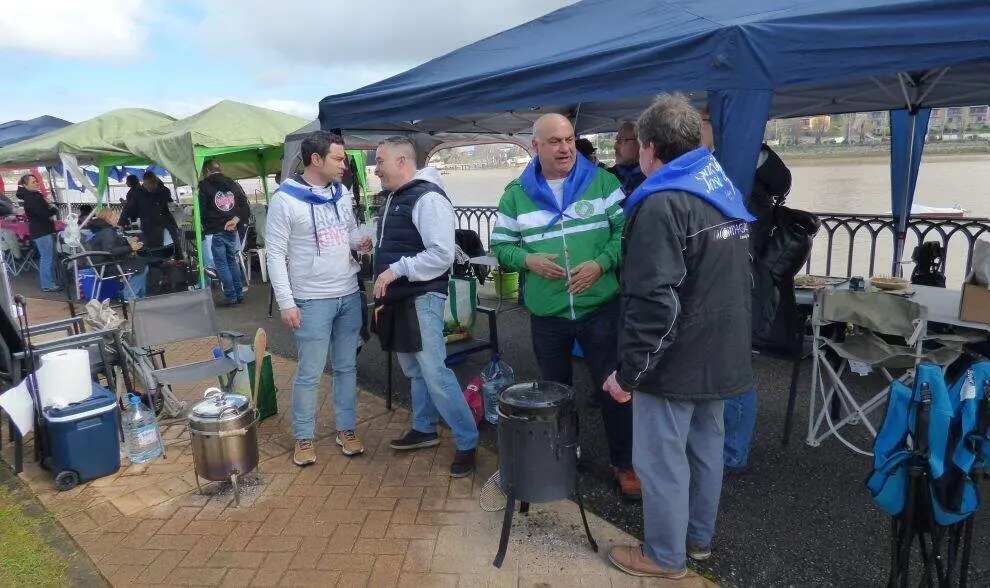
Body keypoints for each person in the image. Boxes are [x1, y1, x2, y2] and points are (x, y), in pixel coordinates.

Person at [604, 94, 755, 579]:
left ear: (649, 148)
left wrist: (631, 374)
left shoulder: (662, 203)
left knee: (662, 462)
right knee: (705, 451)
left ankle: (663, 557)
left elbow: (655, 303)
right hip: (722, 351)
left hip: (675, 362)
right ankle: (697, 541)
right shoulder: (720, 188)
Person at [491, 114, 639, 500]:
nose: (566, 148)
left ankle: (625, 463)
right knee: (555, 393)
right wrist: (528, 261)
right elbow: (502, 246)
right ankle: (563, 457)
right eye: (555, 141)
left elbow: (627, 233)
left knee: (615, 391)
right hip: (548, 317)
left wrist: (601, 264)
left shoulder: (603, 182)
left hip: (600, 310)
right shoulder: (514, 194)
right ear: (535, 147)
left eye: (571, 139)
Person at [372, 136, 479, 478]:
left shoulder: (428, 198)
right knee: (416, 370)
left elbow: (441, 255)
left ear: (402, 161)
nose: (376, 169)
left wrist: (395, 269)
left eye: (380, 161)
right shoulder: (397, 196)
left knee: (435, 372)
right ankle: (425, 428)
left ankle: (467, 441)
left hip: (421, 298)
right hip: (401, 298)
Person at [266, 131, 372, 466]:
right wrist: (286, 302)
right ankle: (304, 437)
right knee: (310, 372)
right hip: (311, 299)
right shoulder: (285, 200)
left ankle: (346, 429)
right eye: (338, 159)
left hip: (348, 293)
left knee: (346, 367)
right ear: (316, 160)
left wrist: (359, 242)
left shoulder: (341, 193)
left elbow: (345, 232)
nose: (345, 165)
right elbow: (274, 255)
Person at [198, 160, 250, 306]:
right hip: (231, 229)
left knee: (221, 264)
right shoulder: (232, 184)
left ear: (207, 171)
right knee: (232, 261)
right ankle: (239, 294)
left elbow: (200, 210)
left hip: (214, 230)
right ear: (219, 169)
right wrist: (235, 219)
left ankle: (231, 296)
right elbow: (245, 207)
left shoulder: (203, 186)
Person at [85, 208, 148, 300]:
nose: (117, 218)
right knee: (141, 266)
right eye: (115, 216)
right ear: (108, 217)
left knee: (140, 262)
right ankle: (130, 295)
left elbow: (111, 246)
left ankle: (138, 295)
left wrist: (127, 241)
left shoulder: (101, 230)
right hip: (108, 265)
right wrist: (130, 248)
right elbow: (110, 250)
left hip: (103, 264)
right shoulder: (107, 231)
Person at [17, 174, 62, 292]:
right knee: (47, 258)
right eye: (33, 182)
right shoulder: (31, 198)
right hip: (41, 231)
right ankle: (47, 284)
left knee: (50, 257)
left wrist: (50, 206)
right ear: (25, 185)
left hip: (45, 229)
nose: (36, 183)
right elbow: (45, 213)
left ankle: (51, 281)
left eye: (36, 181)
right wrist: (53, 208)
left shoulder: (34, 195)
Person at [607, 121, 647, 196]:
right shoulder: (604, 178)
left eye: (620, 140)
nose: (615, 146)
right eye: (616, 141)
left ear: (640, 142)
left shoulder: (653, 178)